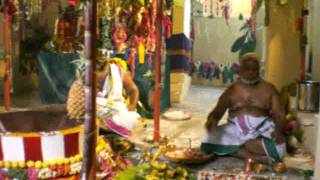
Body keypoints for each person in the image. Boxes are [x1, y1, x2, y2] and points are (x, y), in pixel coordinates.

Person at [201, 53, 286, 164]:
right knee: (209, 137)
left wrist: (278, 130)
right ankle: (256, 157)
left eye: (254, 69)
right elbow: (217, 112)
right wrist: (211, 121)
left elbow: (278, 114)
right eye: (247, 69)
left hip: (261, 128)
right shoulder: (231, 91)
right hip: (236, 129)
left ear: (258, 70)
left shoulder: (269, 89)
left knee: (280, 149)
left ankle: (240, 147)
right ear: (241, 69)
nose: (251, 72)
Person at [96, 57, 140, 137]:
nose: (98, 82)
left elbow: (133, 90)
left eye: (101, 78)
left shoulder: (118, 72)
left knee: (132, 119)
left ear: (107, 70)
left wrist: (132, 106)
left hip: (116, 113)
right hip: (92, 119)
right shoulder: (84, 74)